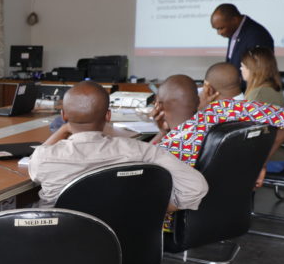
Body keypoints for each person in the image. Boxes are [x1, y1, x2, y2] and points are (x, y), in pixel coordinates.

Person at [28, 81, 208, 212]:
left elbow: (34, 163)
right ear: (108, 116)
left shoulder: (44, 158)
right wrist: (152, 211)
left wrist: (64, 129)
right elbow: (196, 186)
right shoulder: (140, 150)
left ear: (63, 115)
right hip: (121, 243)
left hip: (60, 243)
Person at [152, 74, 284, 187]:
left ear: (158, 105)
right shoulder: (222, 111)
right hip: (229, 211)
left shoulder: (164, 149)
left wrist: (162, 133)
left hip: (177, 217)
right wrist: (260, 163)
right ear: (198, 100)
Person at [210, 3, 274, 74]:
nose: (219, 33)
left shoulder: (257, 35)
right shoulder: (233, 31)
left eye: (221, 28)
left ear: (234, 20)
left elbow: (258, 74)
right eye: (216, 29)